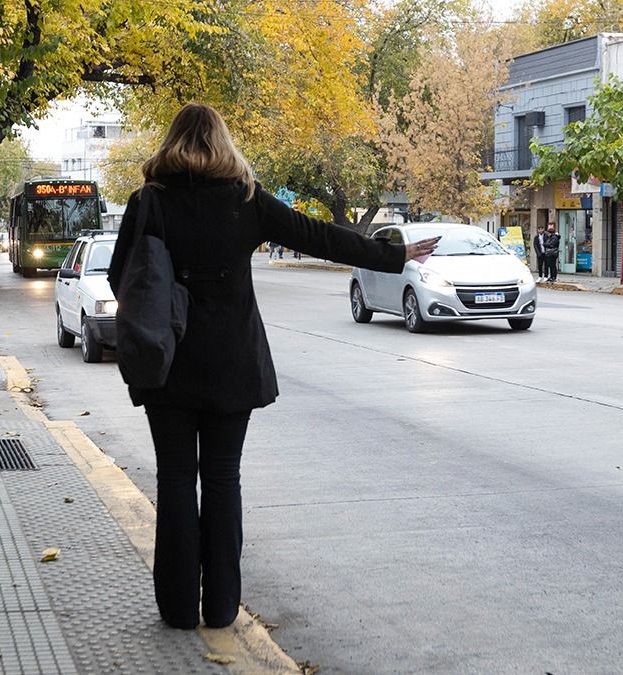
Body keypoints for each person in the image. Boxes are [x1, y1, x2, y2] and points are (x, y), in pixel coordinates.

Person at [107, 103, 438, 630]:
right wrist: (393, 258)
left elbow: (121, 277)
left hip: (166, 361)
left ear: (171, 142)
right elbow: (320, 236)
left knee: (174, 481)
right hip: (232, 362)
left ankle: (176, 611)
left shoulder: (149, 202)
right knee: (221, 478)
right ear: (223, 141)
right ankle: (219, 608)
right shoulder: (245, 201)